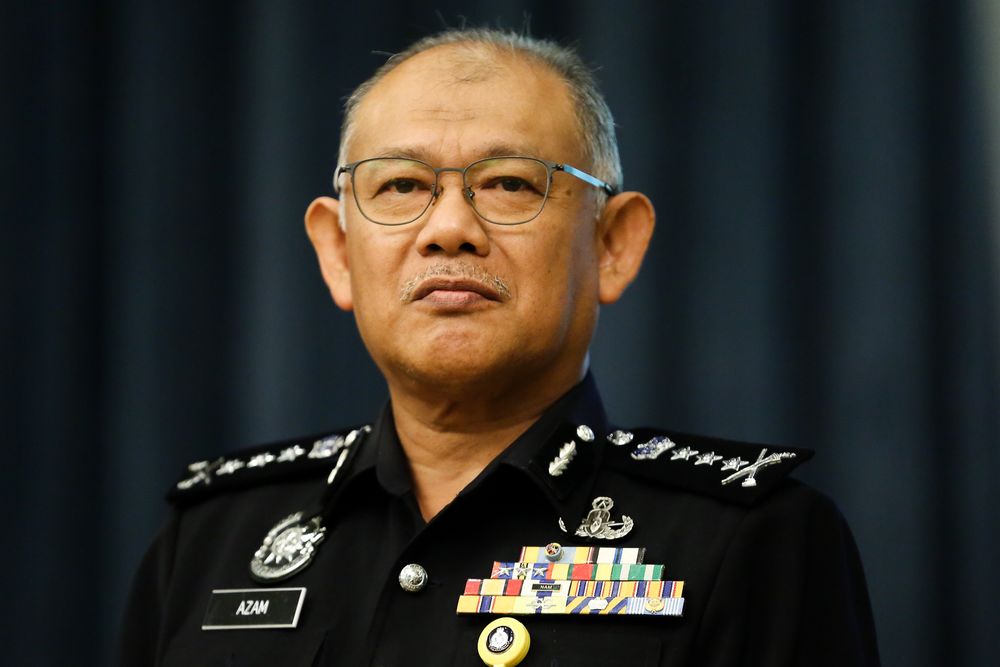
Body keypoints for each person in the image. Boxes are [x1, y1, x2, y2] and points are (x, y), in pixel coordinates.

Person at [120, 28, 880, 666]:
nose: (450, 227)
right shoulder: (212, 540)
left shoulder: (751, 541)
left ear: (614, 244)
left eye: (511, 184)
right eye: (401, 186)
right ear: (336, 251)